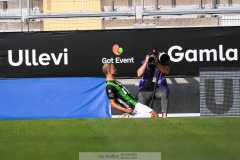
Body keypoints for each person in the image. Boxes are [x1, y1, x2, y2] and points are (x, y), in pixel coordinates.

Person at [137, 49, 170, 118]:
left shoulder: (161, 63)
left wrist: (157, 64)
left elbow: (167, 71)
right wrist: (146, 62)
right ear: (147, 57)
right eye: (151, 57)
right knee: (142, 112)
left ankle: (164, 116)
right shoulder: (144, 63)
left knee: (164, 91)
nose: (153, 59)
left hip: (157, 90)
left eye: (155, 56)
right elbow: (139, 74)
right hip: (145, 91)